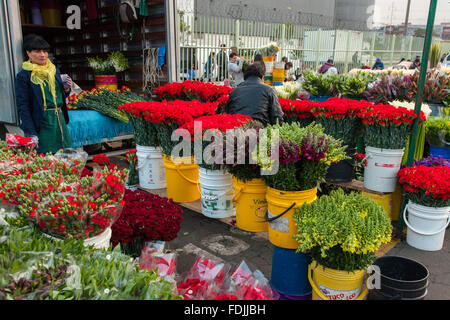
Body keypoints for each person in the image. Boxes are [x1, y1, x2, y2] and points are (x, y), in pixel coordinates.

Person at [15, 34, 72, 154]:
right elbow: (23, 106)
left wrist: (66, 90)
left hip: (59, 120)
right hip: (43, 122)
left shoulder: (54, 70)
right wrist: (30, 133)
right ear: (28, 53)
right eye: (37, 51)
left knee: (66, 157)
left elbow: (58, 96)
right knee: (46, 157)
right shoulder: (24, 76)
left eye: (45, 51)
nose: (43, 55)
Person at [226, 62, 283, 127]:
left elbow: (228, 114)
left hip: (237, 131)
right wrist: (275, 136)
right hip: (261, 132)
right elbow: (277, 118)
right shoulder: (269, 90)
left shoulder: (234, 92)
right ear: (262, 77)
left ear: (245, 78)